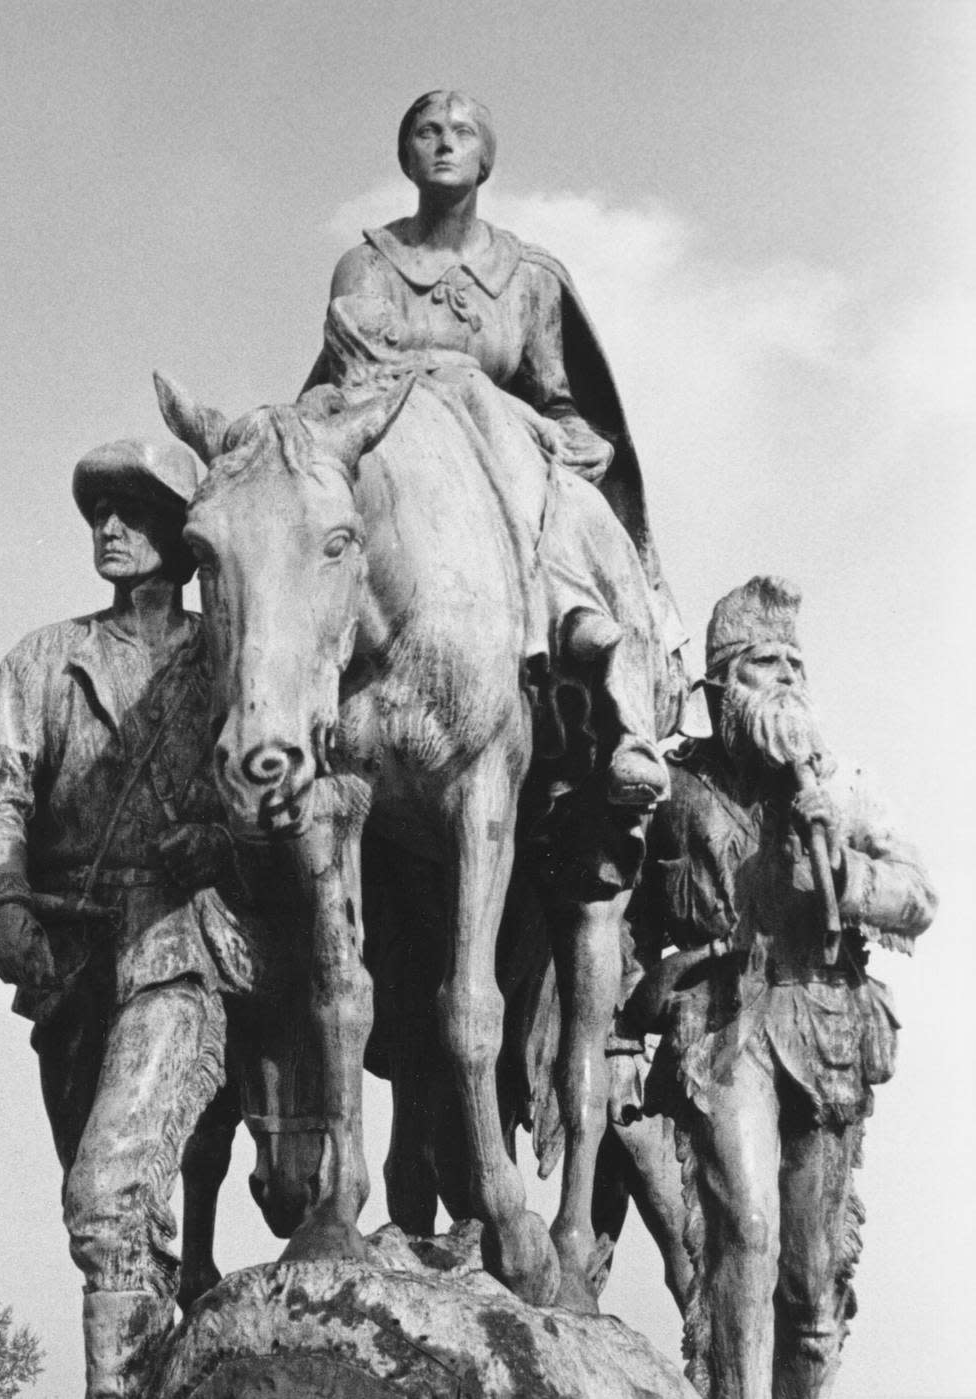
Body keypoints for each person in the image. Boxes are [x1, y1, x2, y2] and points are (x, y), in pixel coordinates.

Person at [306, 88, 687, 811]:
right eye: (426, 131)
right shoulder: (364, 265)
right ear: (406, 155)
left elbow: (557, 394)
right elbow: (361, 374)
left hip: (505, 435)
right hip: (398, 437)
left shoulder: (528, 275)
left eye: (461, 133)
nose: (444, 143)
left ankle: (601, 659)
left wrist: (573, 435)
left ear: (486, 162)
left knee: (566, 500)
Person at [0, 439, 232, 1398]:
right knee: (113, 1228)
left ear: (181, 534)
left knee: (107, 1199)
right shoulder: (43, 659)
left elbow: (289, 786)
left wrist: (222, 838)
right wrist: (1, 902)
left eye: (131, 510)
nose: (107, 528)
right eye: (97, 512)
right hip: (66, 965)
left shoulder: (229, 657)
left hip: (176, 946)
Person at [629, 576, 937, 1399]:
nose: (789, 677)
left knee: (809, 1286)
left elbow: (921, 894)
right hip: (726, 1026)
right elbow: (614, 914)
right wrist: (642, 988)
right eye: (766, 662)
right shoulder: (673, 786)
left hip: (828, 1025)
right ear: (725, 685)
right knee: (747, 1229)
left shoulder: (841, 786)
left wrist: (851, 871)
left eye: (797, 662)